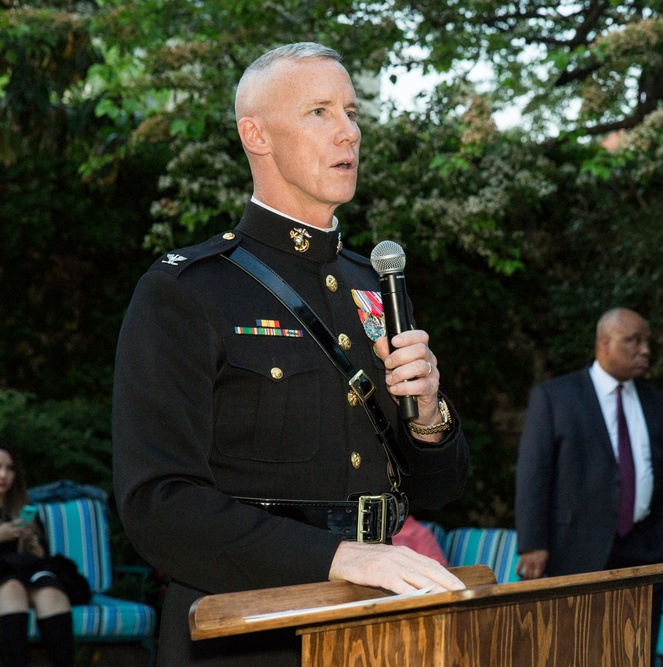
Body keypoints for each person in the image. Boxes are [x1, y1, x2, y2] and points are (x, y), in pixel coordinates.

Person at [113, 42, 469, 666]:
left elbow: (439, 489)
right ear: (257, 135)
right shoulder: (188, 290)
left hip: (377, 625)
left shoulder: (373, 286)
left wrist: (429, 415)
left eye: (352, 113)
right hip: (247, 631)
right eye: (320, 112)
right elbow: (158, 505)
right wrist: (338, 556)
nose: (349, 132)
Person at [514, 307, 663, 661]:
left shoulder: (656, 402)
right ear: (604, 343)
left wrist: (662, 534)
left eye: (647, 342)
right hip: (572, 550)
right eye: (633, 341)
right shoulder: (556, 397)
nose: (645, 350)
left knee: (633, 653)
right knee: (570, 651)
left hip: (642, 549)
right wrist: (533, 544)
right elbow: (533, 473)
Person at [0, 441, 74, 667]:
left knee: (52, 594)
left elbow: (43, 557)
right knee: (12, 588)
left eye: (10, 468)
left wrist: (33, 545)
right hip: (5, 578)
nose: (3, 475)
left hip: (27, 572)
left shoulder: (24, 507)